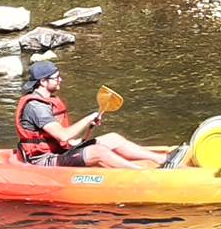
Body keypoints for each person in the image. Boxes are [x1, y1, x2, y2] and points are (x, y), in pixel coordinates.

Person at [14, 61, 166, 168]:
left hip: (58, 151)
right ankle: (142, 174)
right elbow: (62, 136)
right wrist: (88, 118)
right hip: (43, 160)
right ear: (43, 82)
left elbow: (62, 140)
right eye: (56, 77)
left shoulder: (49, 101)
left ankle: (163, 159)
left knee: (113, 138)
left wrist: (83, 135)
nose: (61, 80)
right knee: (98, 151)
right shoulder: (36, 107)